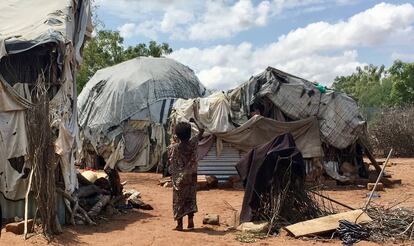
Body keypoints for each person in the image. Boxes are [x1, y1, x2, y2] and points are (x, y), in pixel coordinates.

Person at [168, 118, 204, 231]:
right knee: (190, 198)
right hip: (191, 176)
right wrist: (195, 121)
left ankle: (180, 224)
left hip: (179, 179)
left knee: (179, 200)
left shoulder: (175, 148)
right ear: (189, 134)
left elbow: (170, 160)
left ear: (177, 135)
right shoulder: (193, 143)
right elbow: (202, 131)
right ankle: (190, 221)